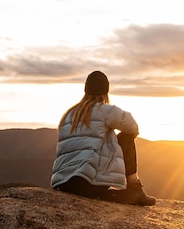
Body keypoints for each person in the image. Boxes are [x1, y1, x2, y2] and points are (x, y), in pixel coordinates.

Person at [51, 71, 156, 206]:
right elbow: (132, 127)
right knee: (126, 137)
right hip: (87, 181)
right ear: (105, 91)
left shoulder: (69, 114)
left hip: (63, 183)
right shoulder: (105, 110)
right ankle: (134, 187)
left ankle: (113, 194)